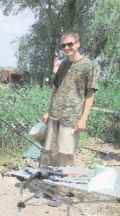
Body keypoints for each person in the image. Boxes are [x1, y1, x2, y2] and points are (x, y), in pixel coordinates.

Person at [40, 32, 98, 205]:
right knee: (50, 153)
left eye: (70, 44)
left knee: (66, 155)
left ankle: (63, 193)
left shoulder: (88, 65)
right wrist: (48, 111)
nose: (66, 48)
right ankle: (49, 189)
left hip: (71, 117)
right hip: (55, 115)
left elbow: (90, 93)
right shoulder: (64, 64)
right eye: (63, 45)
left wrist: (83, 119)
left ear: (78, 44)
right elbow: (56, 89)